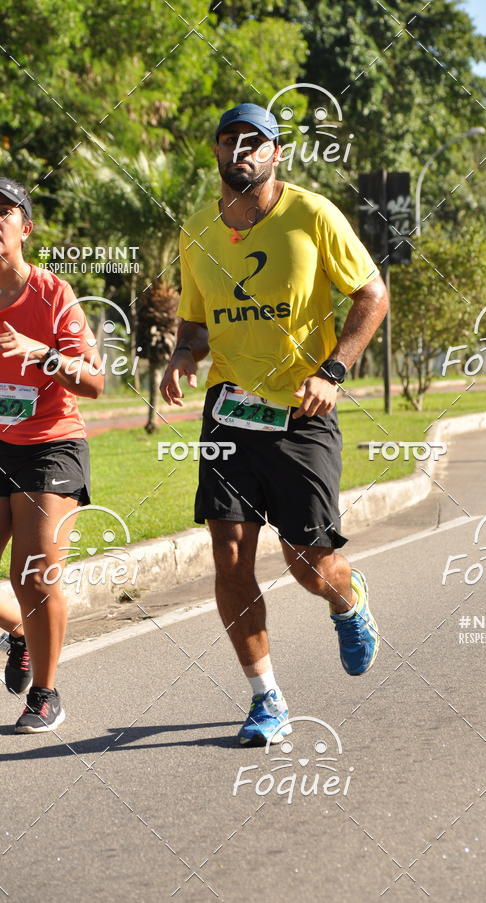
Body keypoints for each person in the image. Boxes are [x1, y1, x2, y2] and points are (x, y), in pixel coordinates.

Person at [160, 103, 389, 746]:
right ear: (216, 153)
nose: (240, 150)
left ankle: (348, 597)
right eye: (229, 139)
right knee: (230, 556)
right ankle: (267, 698)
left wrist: (333, 371)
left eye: (253, 140)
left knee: (309, 564)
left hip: (302, 412)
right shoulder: (199, 230)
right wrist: (182, 355)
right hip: (229, 410)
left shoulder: (312, 214)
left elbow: (372, 294)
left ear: (276, 152)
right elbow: (196, 321)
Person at [0, 178, 103, 732]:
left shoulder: (52, 293)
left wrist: (41, 353)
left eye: (4, 212)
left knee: (34, 573)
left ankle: (46, 693)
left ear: (26, 228)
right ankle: (21, 632)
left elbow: (94, 383)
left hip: (51, 442)